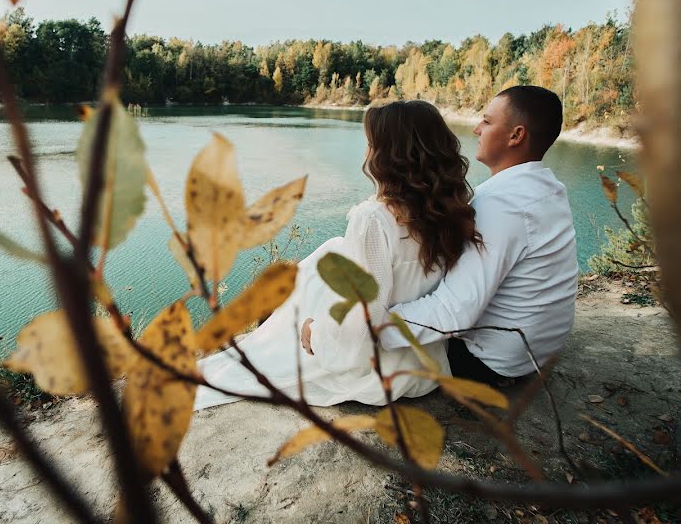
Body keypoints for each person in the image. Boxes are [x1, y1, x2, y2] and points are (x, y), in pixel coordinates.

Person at [194, 100, 483, 411]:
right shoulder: (454, 209)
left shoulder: (374, 219)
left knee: (310, 287)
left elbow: (362, 314)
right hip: (425, 364)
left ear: (390, 155)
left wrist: (315, 334)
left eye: (371, 144)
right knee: (330, 251)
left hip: (378, 368)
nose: (365, 153)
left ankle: (283, 332)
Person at [381, 85, 578, 386]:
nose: (476, 129)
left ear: (516, 136)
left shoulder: (503, 205)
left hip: (490, 363)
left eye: (487, 121)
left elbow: (453, 312)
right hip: (536, 351)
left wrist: (368, 329)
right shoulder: (547, 188)